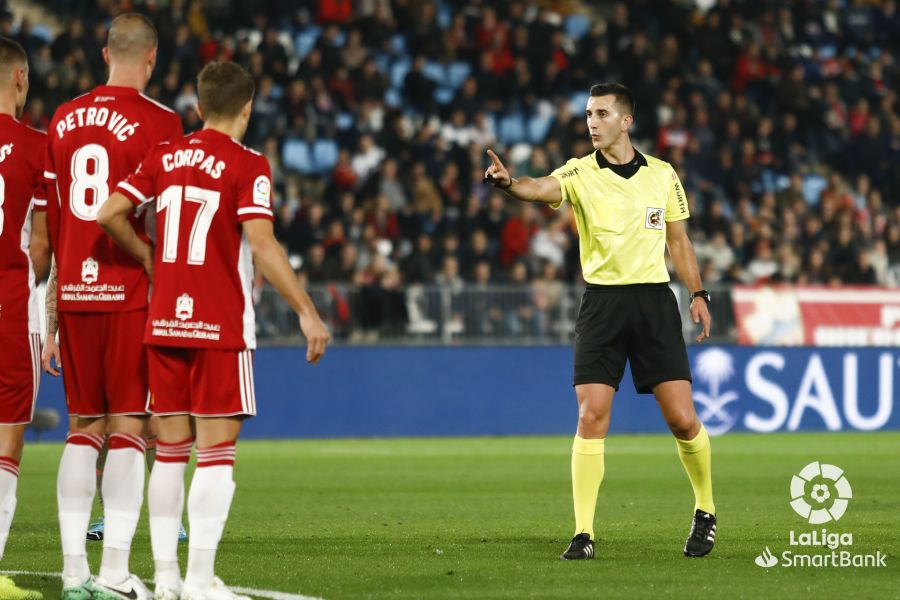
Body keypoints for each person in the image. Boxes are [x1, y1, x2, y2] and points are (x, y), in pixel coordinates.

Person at [98, 60, 329, 599]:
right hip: (220, 326)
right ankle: (201, 581)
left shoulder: (164, 155)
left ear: (198, 108)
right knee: (217, 454)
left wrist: (149, 256)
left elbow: (110, 211)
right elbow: (263, 244)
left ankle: (167, 581)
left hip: (164, 323)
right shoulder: (248, 164)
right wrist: (305, 309)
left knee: (170, 451)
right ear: (247, 109)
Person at [483, 83, 717, 560]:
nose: (592, 121)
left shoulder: (662, 174)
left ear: (625, 120)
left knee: (682, 418)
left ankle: (705, 510)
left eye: (602, 113)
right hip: (602, 305)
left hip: (653, 303)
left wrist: (697, 293)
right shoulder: (579, 172)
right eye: (589, 113)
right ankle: (584, 533)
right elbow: (540, 188)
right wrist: (510, 184)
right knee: (590, 416)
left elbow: (679, 242)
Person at [40, 13, 183, 599]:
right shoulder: (163, 122)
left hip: (74, 292)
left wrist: (49, 306)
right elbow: (166, 222)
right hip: (128, 295)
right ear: (151, 59)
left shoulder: (63, 117)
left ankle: (74, 573)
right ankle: (115, 572)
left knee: (82, 428)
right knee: (128, 427)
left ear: (104, 53)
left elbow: (49, 224)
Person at [0, 36, 49, 600]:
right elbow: (41, 246)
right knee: (7, 437)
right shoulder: (36, 147)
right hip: (11, 304)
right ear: (19, 78)